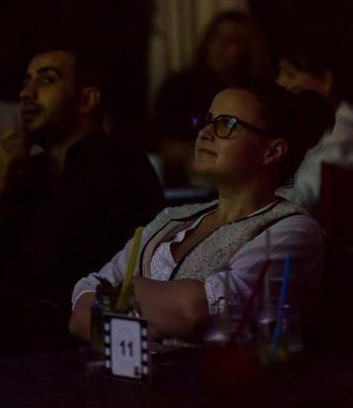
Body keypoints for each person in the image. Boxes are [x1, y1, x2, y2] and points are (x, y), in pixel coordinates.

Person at [70, 79, 326, 344]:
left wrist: (129, 289)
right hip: (139, 371)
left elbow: (197, 312)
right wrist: (153, 326)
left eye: (226, 124)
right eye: (206, 121)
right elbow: (81, 312)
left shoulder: (290, 229)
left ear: (273, 151)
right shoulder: (173, 218)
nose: (204, 132)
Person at [0, 48, 165, 336]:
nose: (26, 93)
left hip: (86, 339)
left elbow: (47, 267)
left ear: (86, 100)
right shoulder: (29, 172)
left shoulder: (116, 165)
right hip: (18, 339)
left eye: (46, 80)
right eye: (26, 82)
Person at [152, 10, 272, 186]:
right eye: (216, 37)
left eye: (232, 40)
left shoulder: (261, 93)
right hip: (190, 186)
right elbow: (164, 146)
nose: (221, 46)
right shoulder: (180, 87)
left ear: (249, 48)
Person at [276, 45, 350, 219]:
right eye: (279, 74)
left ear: (326, 81)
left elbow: (301, 197)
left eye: (290, 75)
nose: (280, 83)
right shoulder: (306, 123)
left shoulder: (343, 134)